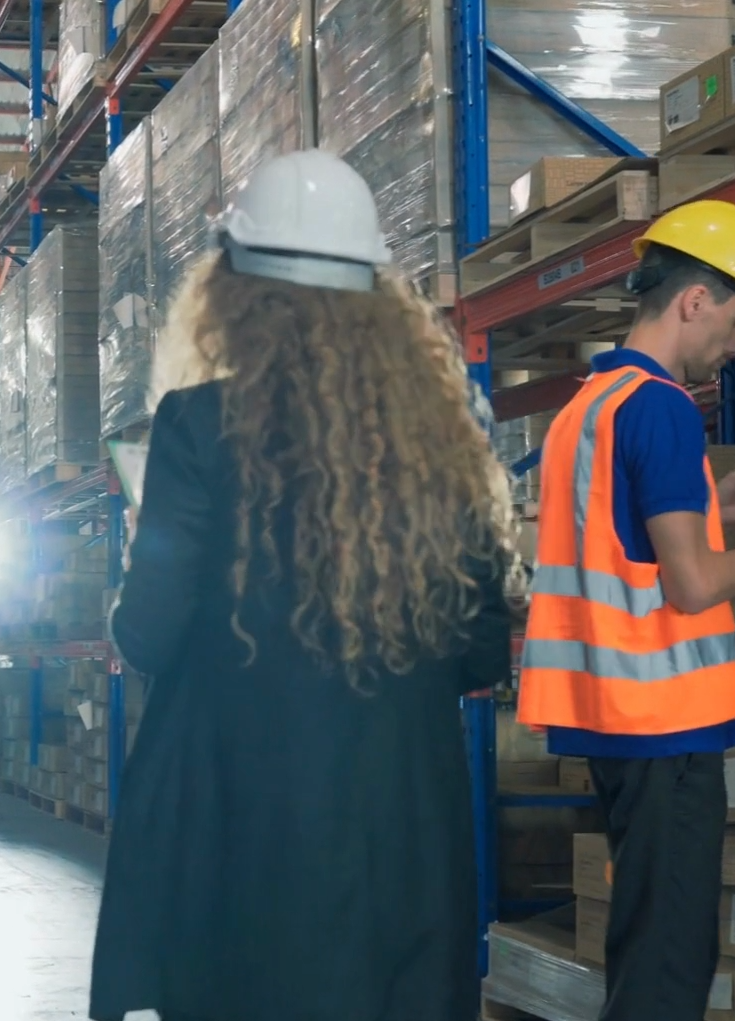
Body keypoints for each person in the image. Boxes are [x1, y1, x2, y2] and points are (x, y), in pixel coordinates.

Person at [89, 149, 524, 1021]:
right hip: (402, 843)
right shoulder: (444, 443)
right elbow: (481, 651)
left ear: (236, 293)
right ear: (379, 299)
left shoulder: (196, 427)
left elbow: (145, 635)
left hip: (243, 843)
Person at [518, 200, 735, 1021]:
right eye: (734, 322)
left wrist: (711, 505)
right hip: (664, 725)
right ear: (694, 299)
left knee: (646, 940)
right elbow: (690, 586)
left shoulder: (590, 404)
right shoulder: (658, 406)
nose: (734, 349)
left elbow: (618, 537)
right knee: (668, 962)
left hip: (611, 719)